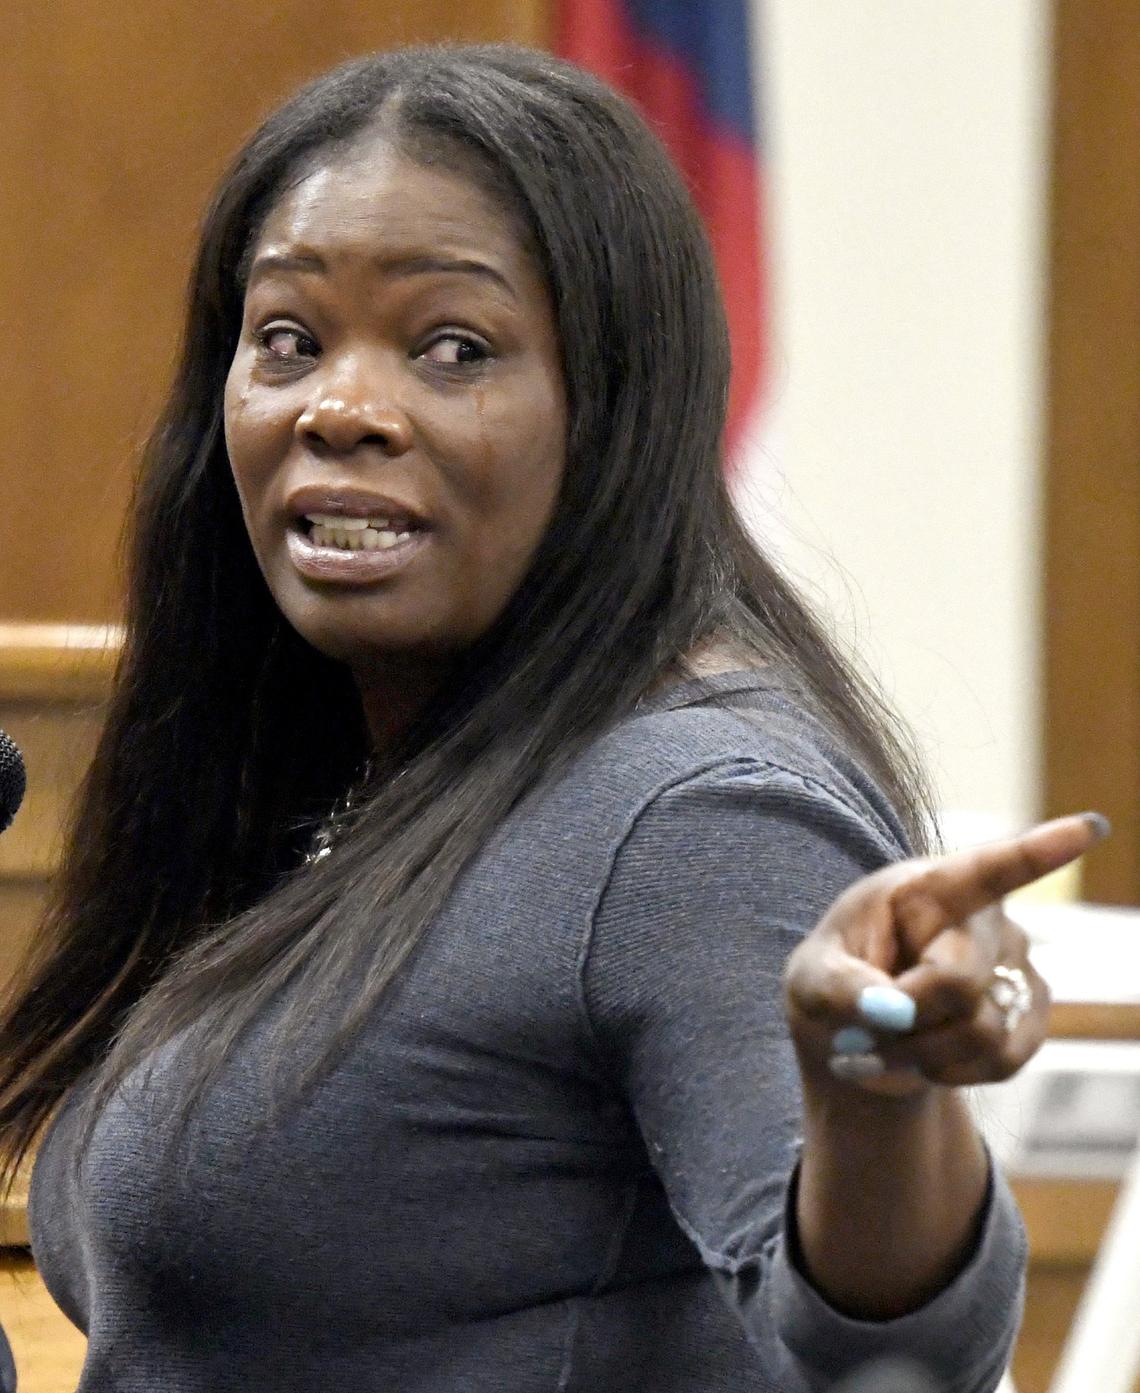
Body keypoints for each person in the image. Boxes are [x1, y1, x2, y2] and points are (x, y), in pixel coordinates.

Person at [0, 44, 1106, 1393]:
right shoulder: (352, 775)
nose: (343, 407)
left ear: (616, 407)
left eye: (451, 349)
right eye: (289, 338)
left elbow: (907, 1360)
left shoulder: (693, 810)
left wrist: (878, 1104)